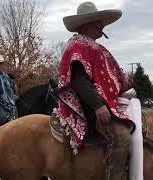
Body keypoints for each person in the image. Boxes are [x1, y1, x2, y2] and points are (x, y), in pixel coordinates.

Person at [57, 2, 136, 179]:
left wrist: (123, 87)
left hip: (102, 101)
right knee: (123, 136)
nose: (102, 27)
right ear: (87, 24)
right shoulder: (79, 45)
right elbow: (78, 81)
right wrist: (98, 105)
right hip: (88, 104)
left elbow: (106, 77)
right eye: (98, 23)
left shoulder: (92, 46)